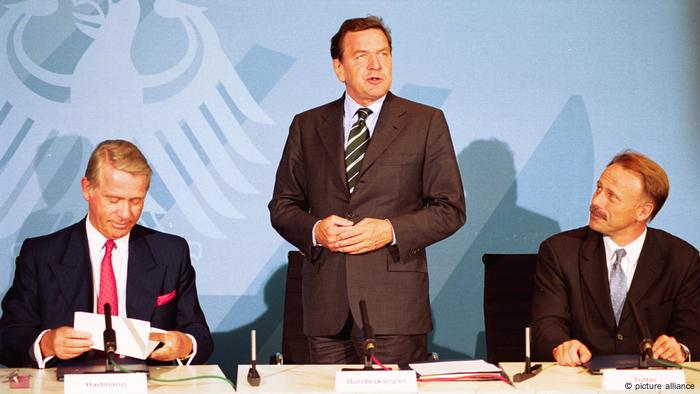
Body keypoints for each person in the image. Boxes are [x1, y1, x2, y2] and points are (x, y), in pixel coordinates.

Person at [268, 16, 465, 364]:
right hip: (326, 309)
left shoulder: (425, 122)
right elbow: (283, 206)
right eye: (361, 56)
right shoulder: (307, 125)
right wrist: (316, 230)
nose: (376, 65)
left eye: (384, 54)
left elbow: (450, 209)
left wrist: (390, 230)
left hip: (394, 310)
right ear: (339, 67)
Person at [0, 140, 213, 368]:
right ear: (87, 189)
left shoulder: (171, 252)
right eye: (114, 200)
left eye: (136, 201)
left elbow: (198, 334)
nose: (125, 213)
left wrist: (185, 345)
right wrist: (46, 344)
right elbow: (9, 338)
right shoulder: (41, 255)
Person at [531, 150, 700, 366]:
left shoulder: (681, 259)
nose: (596, 201)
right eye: (599, 188)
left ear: (643, 211)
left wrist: (681, 349)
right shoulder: (559, 251)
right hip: (580, 380)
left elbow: (693, 332)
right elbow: (546, 323)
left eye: (612, 196)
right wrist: (561, 345)